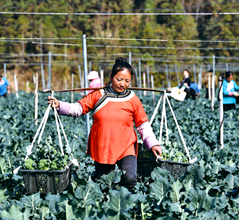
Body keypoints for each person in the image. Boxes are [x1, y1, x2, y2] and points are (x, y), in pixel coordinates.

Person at [48, 57, 162, 191]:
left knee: (130, 179)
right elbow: (78, 108)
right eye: (119, 79)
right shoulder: (99, 95)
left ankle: (128, 207)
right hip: (104, 147)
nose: (123, 84)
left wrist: (153, 143)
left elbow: (143, 124)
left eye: (127, 81)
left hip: (126, 146)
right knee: (104, 183)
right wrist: (59, 105)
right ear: (111, 76)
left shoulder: (133, 99)